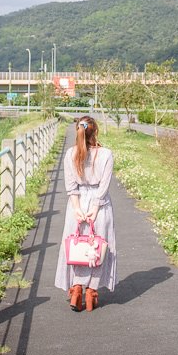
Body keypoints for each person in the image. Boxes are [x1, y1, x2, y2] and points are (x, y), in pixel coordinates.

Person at [54, 115, 117, 311]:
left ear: (78, 131)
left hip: (78, 204)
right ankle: (91, 291)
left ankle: (75, 290)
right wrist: (95, 209)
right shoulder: (106, 154)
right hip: (100, 206)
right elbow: (104, 185)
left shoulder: (71, 154)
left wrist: (78, 209)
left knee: (75, 246)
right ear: (95, 131)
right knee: (98, 249)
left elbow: (71, 187)